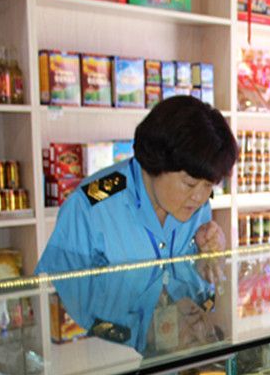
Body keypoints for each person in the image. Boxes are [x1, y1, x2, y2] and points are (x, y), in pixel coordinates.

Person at [37, 95, 238, 274]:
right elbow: (58, 292)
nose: (200, 197)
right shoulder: (91, 202)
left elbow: (201, 287)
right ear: (158, 161)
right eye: (189, 183)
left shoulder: (197, 202)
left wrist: (210, 258)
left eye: (209, 185)